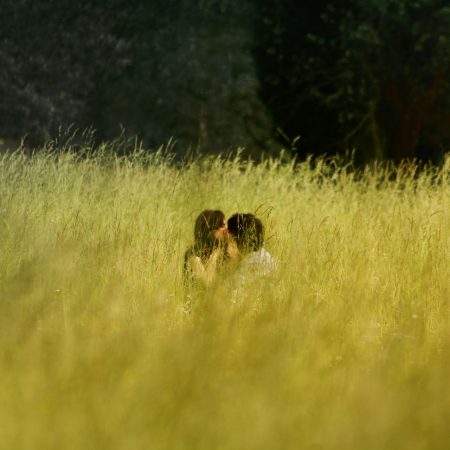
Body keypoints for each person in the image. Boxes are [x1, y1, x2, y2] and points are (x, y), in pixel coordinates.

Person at [227, 213, 277, 296]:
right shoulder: (266, 256)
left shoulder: (248, 267)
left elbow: (231, 300)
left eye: (229, 240)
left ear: (235, 240)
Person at [183, 209, 229, 287]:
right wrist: (216, 253)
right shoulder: (194, 257)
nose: (225, 229)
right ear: (208, 230)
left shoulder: (225, 253)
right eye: (221, 225)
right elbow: (208, 284)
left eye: (225, 224)